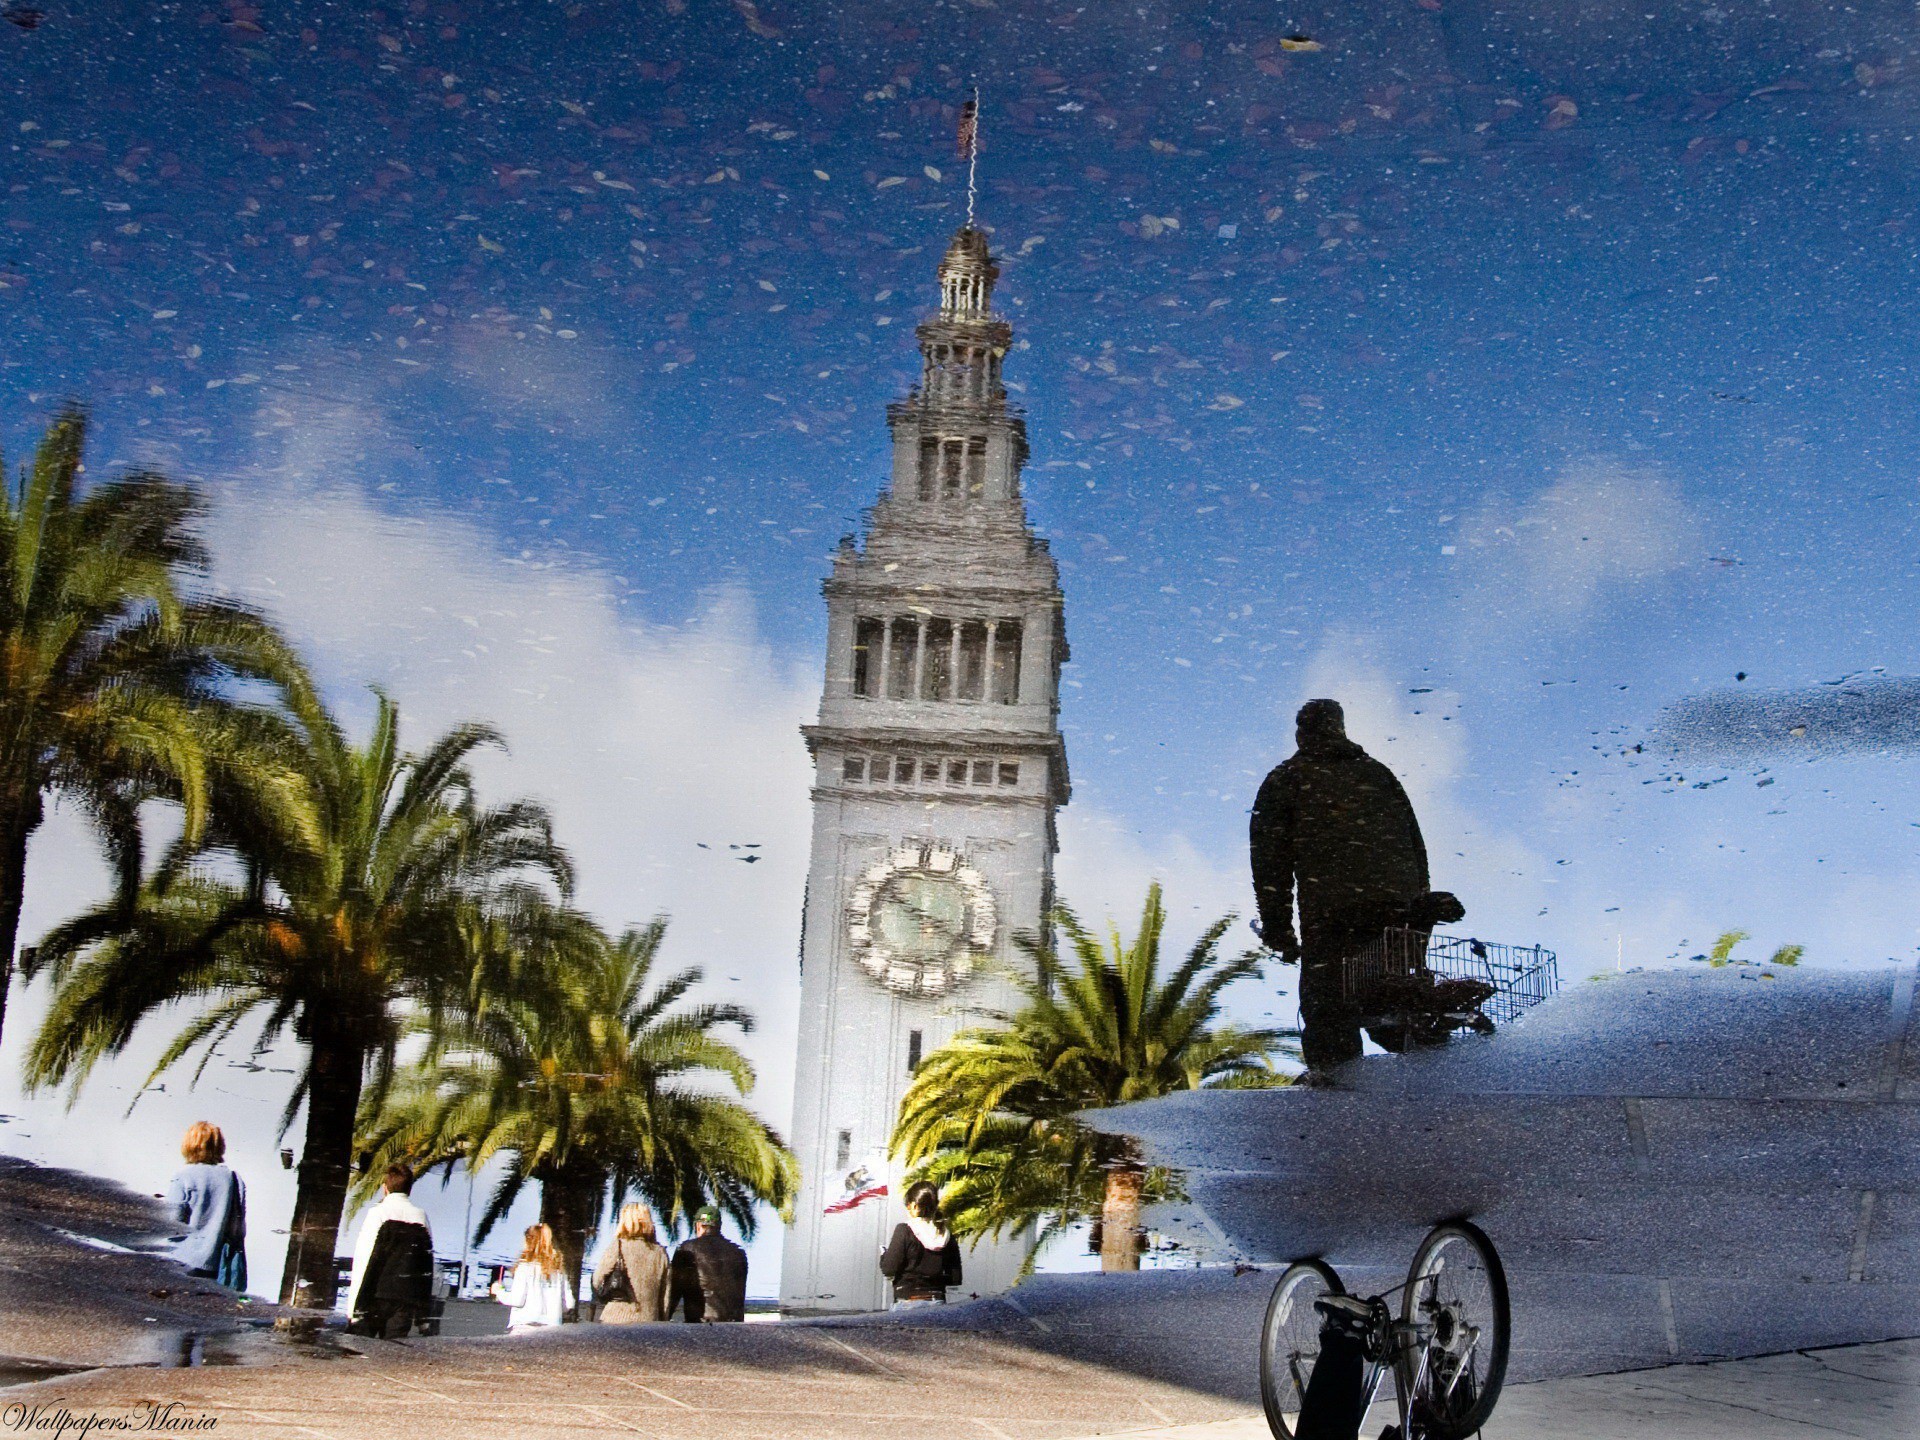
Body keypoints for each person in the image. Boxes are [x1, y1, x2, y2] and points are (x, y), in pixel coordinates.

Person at [1250, 698, 1463, 1074]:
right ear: (1340, 728)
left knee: (1330, 1019)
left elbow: (1271, 867)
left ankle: (1338, 1115)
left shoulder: (1287, 778)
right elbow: (1416, 847)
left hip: (1334, 920)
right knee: (1394, 1006)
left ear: (1302, 731)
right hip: (1399, 917)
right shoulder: (1380, 774)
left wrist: (1279, 932)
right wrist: (1416, 916)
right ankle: (1439, 1089)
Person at [344, 1163, 436, 1338]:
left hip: (374, 1295)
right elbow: (426, 1266)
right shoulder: (420, 1216)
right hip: (404, 1299)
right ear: (409, 1190)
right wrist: (424, 1317)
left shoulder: (377, 1214)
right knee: (393, 1356)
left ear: (385, 1188)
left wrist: (353, 1310)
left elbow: (363, 1260)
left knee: (360, 1351)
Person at [165, 1121, 247, 1291]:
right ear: (219, 1146)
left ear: (189, 1145)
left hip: (182, 1260)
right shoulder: (234, 1179)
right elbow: (238, 1230)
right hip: (218, 1264)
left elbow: (172, 1225)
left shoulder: (183, 1177)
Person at [879, 1181, 962, 1308]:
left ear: (915, 1205)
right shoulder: (947, 1234)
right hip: (937, 1301)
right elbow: (955, 1278)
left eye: (908, 1204)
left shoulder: (904, 1230)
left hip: (906, 1300)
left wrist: (884, 1256)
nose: (907, 1207)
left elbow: (889, 1269)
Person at [591, 1203, 672, 1324]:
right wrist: (662, 1320)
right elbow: (666, 1295)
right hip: (648, 1320)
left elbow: (597, 1280)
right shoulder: (660, 1253)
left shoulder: (617, 1246)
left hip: (615, 1318)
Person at [667, 1205, 748, 1323]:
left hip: (700, 1325)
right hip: (733, 1326)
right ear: (719, 1226)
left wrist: (663, 1320)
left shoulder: (687, 1249)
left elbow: (674, 1292)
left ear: (698, 1226)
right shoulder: (739, 1253)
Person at [493, 1222, 574, 1332]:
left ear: (528, 1241)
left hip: (525, 1326)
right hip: (552, 1329)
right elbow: (569, 1304)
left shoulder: (524, 1267)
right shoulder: (558, 1270)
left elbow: (517, 1300)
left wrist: (498, 1292)